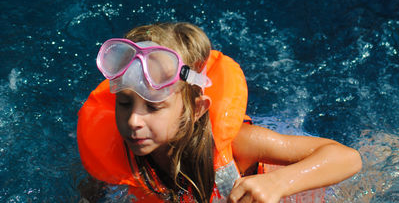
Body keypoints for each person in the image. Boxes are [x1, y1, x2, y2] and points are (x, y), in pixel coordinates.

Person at [77, 22, 362, 203]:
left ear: (198, 109)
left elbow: (348, 158)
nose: (132, 121)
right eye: (125, 103)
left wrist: (278, 182)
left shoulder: (242, 143)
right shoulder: (120, 153)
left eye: (153, 107)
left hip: (302, 187)